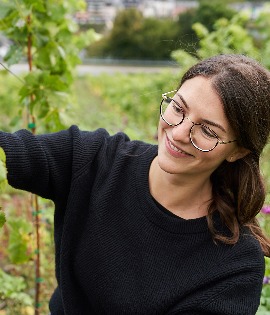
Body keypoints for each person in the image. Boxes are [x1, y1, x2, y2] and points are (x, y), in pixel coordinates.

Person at [1, 54, 270, 315]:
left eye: (208, 131)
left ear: (238, 151)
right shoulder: (95, 159)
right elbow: (10, 151)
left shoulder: (236, 265)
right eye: (178, 108)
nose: (177, 133)